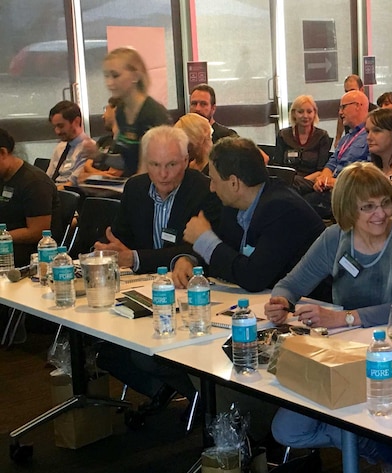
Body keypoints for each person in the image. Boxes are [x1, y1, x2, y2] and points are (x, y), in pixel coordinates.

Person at [264, 161, 392, 473]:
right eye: (368, 207)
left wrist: (343, 319)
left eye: (385, 204)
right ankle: (377, 451)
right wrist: (280, 301)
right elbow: (291, 284)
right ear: (347, 210)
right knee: (287, 430)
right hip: (344, 353)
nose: (380, 214)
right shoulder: (335, 238)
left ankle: (385, 454)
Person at [173, 137, 324, 293]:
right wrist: (190, 260)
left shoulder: (283, 209)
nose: (211, 188)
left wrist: (203, 240)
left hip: (310, 306)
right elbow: (225, 254)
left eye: (213, 180)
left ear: (234, 183)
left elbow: (254, 277)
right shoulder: (233, 206)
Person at [94, 126, 221, 272]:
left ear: (185, 161)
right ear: (146, 162)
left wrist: (135, 258)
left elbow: (198, 250)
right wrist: (104, 249)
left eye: (171, 165)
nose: (163, 174)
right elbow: (119, 237)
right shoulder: (135, 188)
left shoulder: (206, 191)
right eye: (155, 165)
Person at [101, 47, 171, 176]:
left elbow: (154, 168)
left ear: (135, 76)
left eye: (115, 75)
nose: (109, 83)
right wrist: (99, 157)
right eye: (106, 76)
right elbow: (127, 161)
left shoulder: (153, 114)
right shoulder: (121, 111)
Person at [305, 90, 369, 219]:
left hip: (349, 195)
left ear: (358, 106)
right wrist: (323, 178)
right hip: (329, 191)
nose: (340, 113)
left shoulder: (370, 136)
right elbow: (332, 162)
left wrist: (335, 182)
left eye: (343, 107)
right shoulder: (346, 138)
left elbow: (367, 174)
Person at [0, 128, 57, 266]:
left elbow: (37, 232)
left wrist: (2, 238)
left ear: (3, 153)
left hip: (28, 251)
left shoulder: (34, 182)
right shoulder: (3, 177)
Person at [273, 95, 333, 180]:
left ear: (314, 113)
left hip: (311, 182)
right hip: (287, 182)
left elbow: (322, 170)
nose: (305, 116)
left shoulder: (322, 136)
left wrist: (302, 181)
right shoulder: (283, 135)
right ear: (294, 114)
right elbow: (277, 166)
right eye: (300, 112)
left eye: (309, 112)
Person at [45, 100, 94, 187]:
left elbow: (72, 184)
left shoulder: (89, 148)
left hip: (67, 194)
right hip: (53, 192)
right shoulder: (60, 147)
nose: (57, 131)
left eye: (61, 126)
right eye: (55, 127)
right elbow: (48, 178)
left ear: (76, 122)